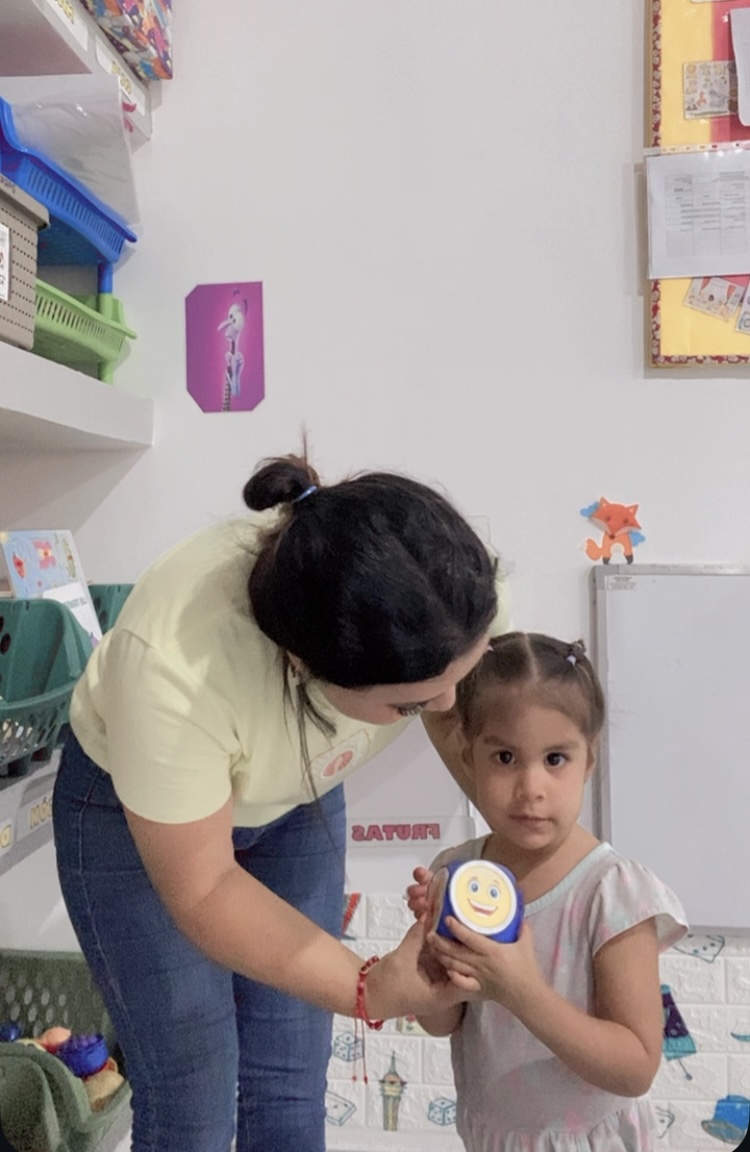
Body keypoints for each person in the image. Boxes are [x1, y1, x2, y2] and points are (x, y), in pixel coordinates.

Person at [52, 452, 510, 1152]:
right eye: (412, 705)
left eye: (461, 675)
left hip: (293, 797)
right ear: (303, 664)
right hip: (130, 812)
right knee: (192, 1100)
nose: (448, 708)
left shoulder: (448, 593)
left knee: (290, 1086)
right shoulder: (175, 666)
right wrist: (371, 988)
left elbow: (479, 718)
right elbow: (205, 888)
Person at [407, 632, 688, 1152]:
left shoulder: (612, 892)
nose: (531, 788)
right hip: (492, 1138)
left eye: (555, 759)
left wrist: (522, 992)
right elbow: (441, 1022)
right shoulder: (458, 873)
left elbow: (636, 1068)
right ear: (468, 758)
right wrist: (430, 962)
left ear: (589, 760)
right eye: (505, 757)